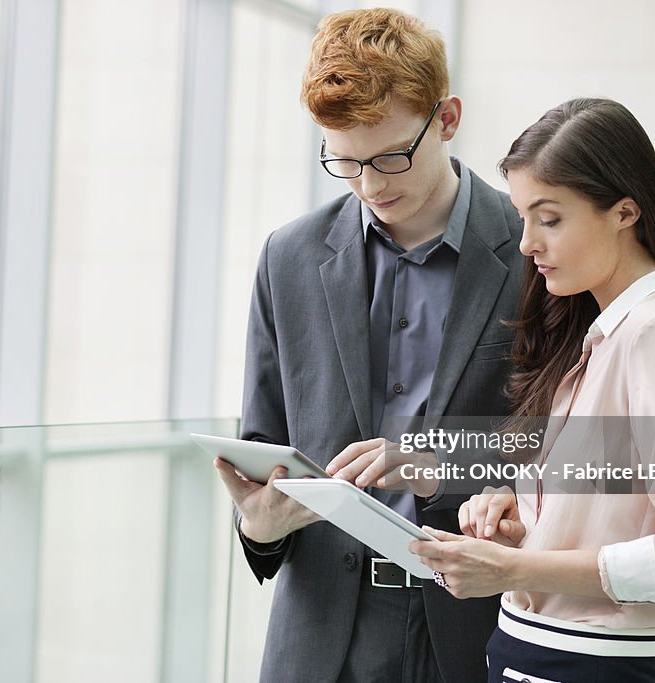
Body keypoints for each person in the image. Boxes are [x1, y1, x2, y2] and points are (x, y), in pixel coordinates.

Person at [211, 8, 524, 683]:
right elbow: (266, 447)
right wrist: (259, 527)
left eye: (390, 156)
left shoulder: (534, 252)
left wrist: (435, 459)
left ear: (447, 119)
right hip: (320, 639)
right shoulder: (288, 258)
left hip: (480, 632)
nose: (372, 185)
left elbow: (583, 452)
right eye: (344, 161)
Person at [410, 98, 655, 682]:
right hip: (529, 653)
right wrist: (526, 525)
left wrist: (516, 571)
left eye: (550, 218)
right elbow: (614, 514)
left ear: (624, 212)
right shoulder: (604, 335)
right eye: (523, 218)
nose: (526, 245)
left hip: (587, 666)